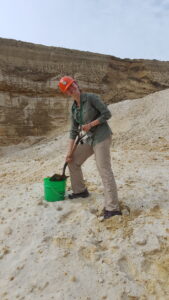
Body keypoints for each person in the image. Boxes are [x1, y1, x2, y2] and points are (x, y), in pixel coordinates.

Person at [58, 76, 122, 219]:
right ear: (67, 93)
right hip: (89, 138)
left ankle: (113, 208)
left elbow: (107, 114)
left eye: (72, 85)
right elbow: (73, 131)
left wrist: (91, 124)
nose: (72, 89)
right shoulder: (74, 108)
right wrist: (68, 153)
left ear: (76, 84)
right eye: (68, 89)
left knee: (103, 169)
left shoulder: (91, 98)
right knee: (72, 161)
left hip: (101, 136)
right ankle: (80, 191)